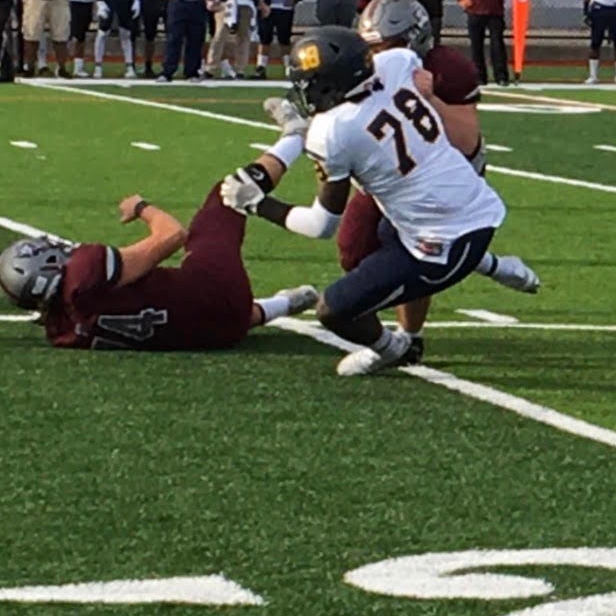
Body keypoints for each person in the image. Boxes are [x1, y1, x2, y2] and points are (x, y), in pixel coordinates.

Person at [219, 29, 531, 376]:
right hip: (475, 203)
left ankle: (391, 349)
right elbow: (410, 76)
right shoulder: (393, 62)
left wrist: (259, 204)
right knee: (385, 225)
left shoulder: (334, 130)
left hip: (446, 244)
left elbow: (321, 224)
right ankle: (493, 265)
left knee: (334, 309)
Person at [1, 177, 317, 352]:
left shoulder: (62, 332)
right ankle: (293, 136)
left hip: (220, 334)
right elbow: (173, 235)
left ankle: (282, 304)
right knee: (227, 194)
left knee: (199, 312)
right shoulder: (85, 271)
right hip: (216, 292)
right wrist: (141, 207)